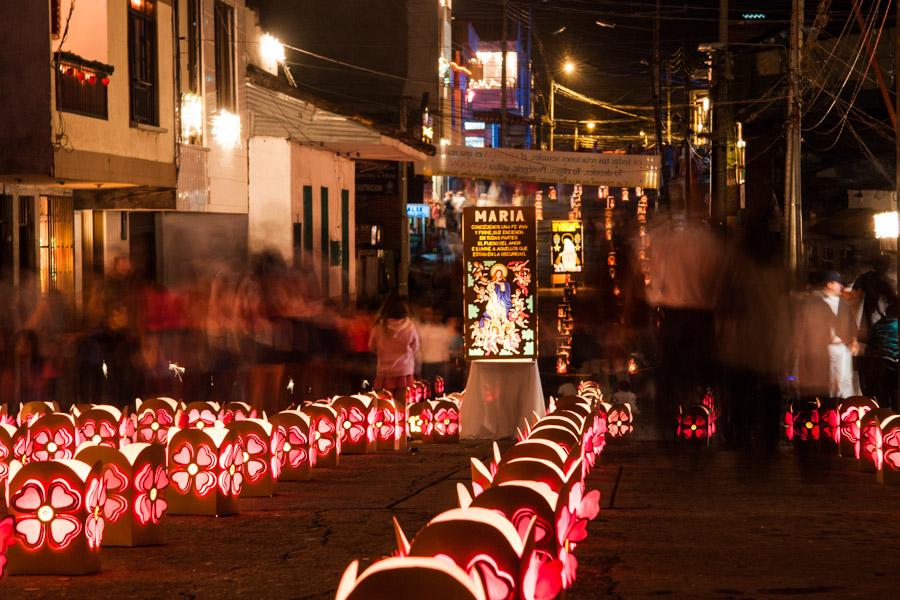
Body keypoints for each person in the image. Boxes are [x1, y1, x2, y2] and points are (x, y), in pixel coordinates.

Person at [794, 272, 858, 400]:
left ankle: (843, 406)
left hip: (841, 347)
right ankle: (828, 406)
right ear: (830, 284)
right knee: (827, 380)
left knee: (844, 380)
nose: (841, 286)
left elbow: (852, 325)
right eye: (838, 283)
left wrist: (853, 341)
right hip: (824, 348)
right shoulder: (816, 302)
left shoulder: (844, 305)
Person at [369, 297, 420, 407]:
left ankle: (388, 423)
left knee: (386, 405)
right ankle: (401, 422)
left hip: (385, 371)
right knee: (401, 404)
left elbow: (371, 347)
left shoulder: (378, 327)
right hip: (404, 371)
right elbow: (415, 347)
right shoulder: (410, 326)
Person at [866, 302, 898, 410]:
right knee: (896, 396)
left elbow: (870, 346)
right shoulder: (897, 325)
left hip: (879, 366)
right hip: (895, 366)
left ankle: (884, 418)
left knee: (883, 398)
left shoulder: (876, 326)